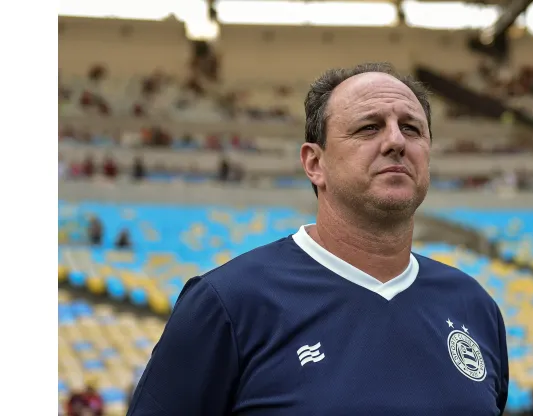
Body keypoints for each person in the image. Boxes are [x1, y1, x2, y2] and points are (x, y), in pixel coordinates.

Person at [127, 62, 509, 416]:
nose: (396, 141)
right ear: (315, 163)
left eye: (411, 128)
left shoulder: (474, 307)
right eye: (369, 127)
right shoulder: (227, 304)